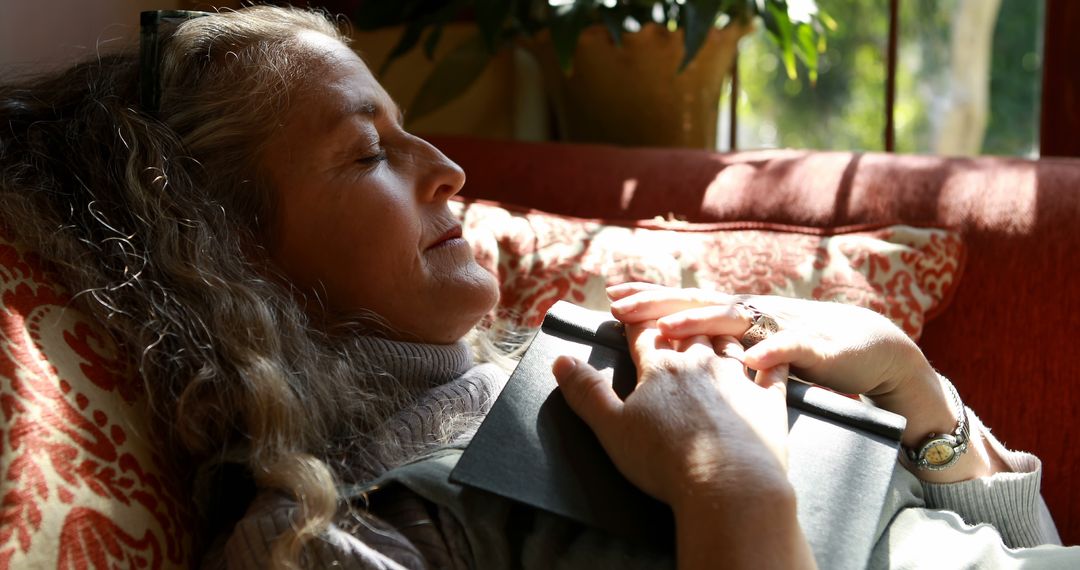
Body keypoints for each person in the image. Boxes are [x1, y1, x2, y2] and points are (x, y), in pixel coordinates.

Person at [0, 5, 1074, 569]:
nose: (449, 170)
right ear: (232, 247)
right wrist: (733, 493)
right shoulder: (329, 544)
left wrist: (911, 386)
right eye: (368, 153)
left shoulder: (546, 367)